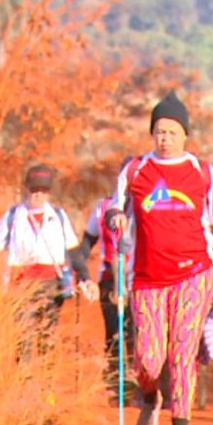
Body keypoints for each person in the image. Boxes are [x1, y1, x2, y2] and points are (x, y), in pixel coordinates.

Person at [104, 91, 213, 425]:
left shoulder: (201, 172)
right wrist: (116, 217)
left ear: (185, 134)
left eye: (172, 131)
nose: (165, 138)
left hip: (194, 275)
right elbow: (114, 207)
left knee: (182, 353)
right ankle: (150, 396)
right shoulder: (135, 170)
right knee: (148, 359)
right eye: (159, 131)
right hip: (147, 278)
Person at [0, 164, 98, 360]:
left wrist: (85, 277)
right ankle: (24, 377)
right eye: (34, 189)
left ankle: (46, 378)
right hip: (20, 284)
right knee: (23, 337)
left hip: (51, 284)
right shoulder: (13, 216)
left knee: (47, 337)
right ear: (26, 189)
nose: (38, 194)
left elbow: (73, 251)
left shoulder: (58, 216)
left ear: (49, 192)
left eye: (43, 190)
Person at [77, 158, 135, 386]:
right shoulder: (103, 207)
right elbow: (85, 244)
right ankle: (116, 385)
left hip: (142, 278)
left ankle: (145, 389)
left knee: (139, 335)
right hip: (110, 279)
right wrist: (83, 275)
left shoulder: (150, 206)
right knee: (114, 334)